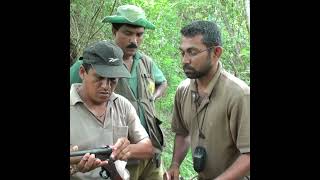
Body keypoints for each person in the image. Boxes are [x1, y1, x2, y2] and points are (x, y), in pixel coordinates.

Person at [70, 5, 168, 180]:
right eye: (128, 33)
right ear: (114, 31)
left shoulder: (146, 62)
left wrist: (152, 97)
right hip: (114, 161)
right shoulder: (89, 61)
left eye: (139, 34)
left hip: (145, 150)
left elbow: (162, 82)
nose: (134, 40)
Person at [164, 20, 250, 180]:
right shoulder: (183, 91)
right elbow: (182, 133)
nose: (185, 60)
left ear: (216, 52)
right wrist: (175, 164)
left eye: (192, 52)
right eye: (182, 53)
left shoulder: (239, 94)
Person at [70, 40, 154, 179]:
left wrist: (126, 150)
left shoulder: (122, 105)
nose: (106, 86)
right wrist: (74, 167)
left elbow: (148, 148)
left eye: (113, 80)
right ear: (82, 72)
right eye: (99, 78)